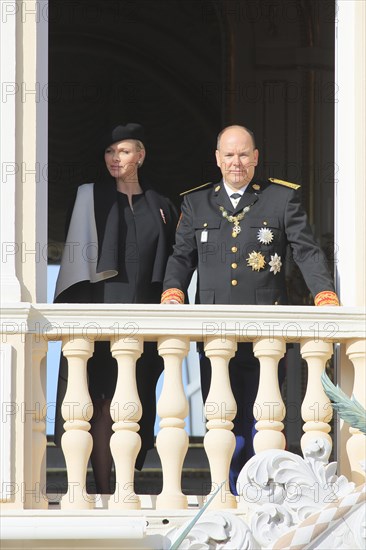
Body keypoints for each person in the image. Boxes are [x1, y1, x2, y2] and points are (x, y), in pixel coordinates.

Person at [161, 124, 339, 494]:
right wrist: (173, 291)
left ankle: (261, 492)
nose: (236, 162)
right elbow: (182, 256)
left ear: (256, 158)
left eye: (243, 154)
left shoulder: (281, 199)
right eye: (229, 155)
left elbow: (305, 251)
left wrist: (324, 293)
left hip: (266, 333)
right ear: (217, 159)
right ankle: (224, 490)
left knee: (263, 417)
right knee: (221, 417)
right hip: (215, 335)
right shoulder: (196, 203)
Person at [54, 123, 178, 494]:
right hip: (99, 309)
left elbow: (174, 259)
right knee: (102, 398)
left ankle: (127, 479)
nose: (115, 158)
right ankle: (106, 487)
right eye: (110, 152)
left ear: (140, 155)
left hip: (146, 315)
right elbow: (77, 258)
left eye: (123, 151)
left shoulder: (162, 205)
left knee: (137, 398)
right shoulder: (89, 196)